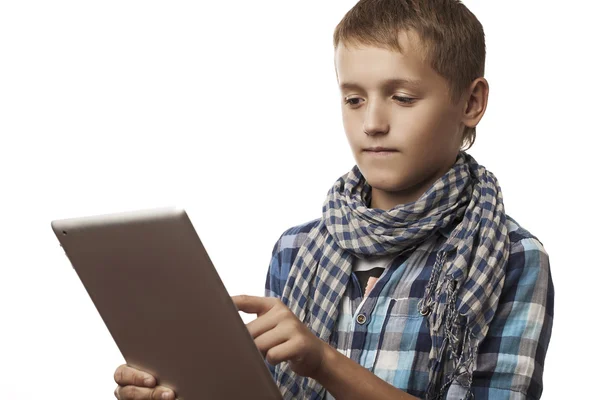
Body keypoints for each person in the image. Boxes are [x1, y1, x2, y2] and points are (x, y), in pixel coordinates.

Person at [113, 0, 554, 399]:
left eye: (401, 98)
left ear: (472, 103)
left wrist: (324, 363)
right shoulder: (296, 249)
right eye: (353, 99)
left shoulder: (513, 257)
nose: (372, 123)